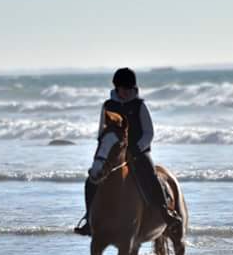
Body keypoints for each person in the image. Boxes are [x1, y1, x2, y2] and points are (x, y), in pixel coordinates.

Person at [74, 67, 182, 236]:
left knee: (151, 176)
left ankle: (165, 213)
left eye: (127, 89)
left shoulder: (139, 105)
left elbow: (149, 132)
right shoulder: (108, 106)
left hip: (138, 152)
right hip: (114, 154)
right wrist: (103, 151)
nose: (124, 92)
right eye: (121, 89)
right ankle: (89, 219)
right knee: (91, 180)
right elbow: (102, 133)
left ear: (133, 88)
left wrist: (136, 148)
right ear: (116, 88)